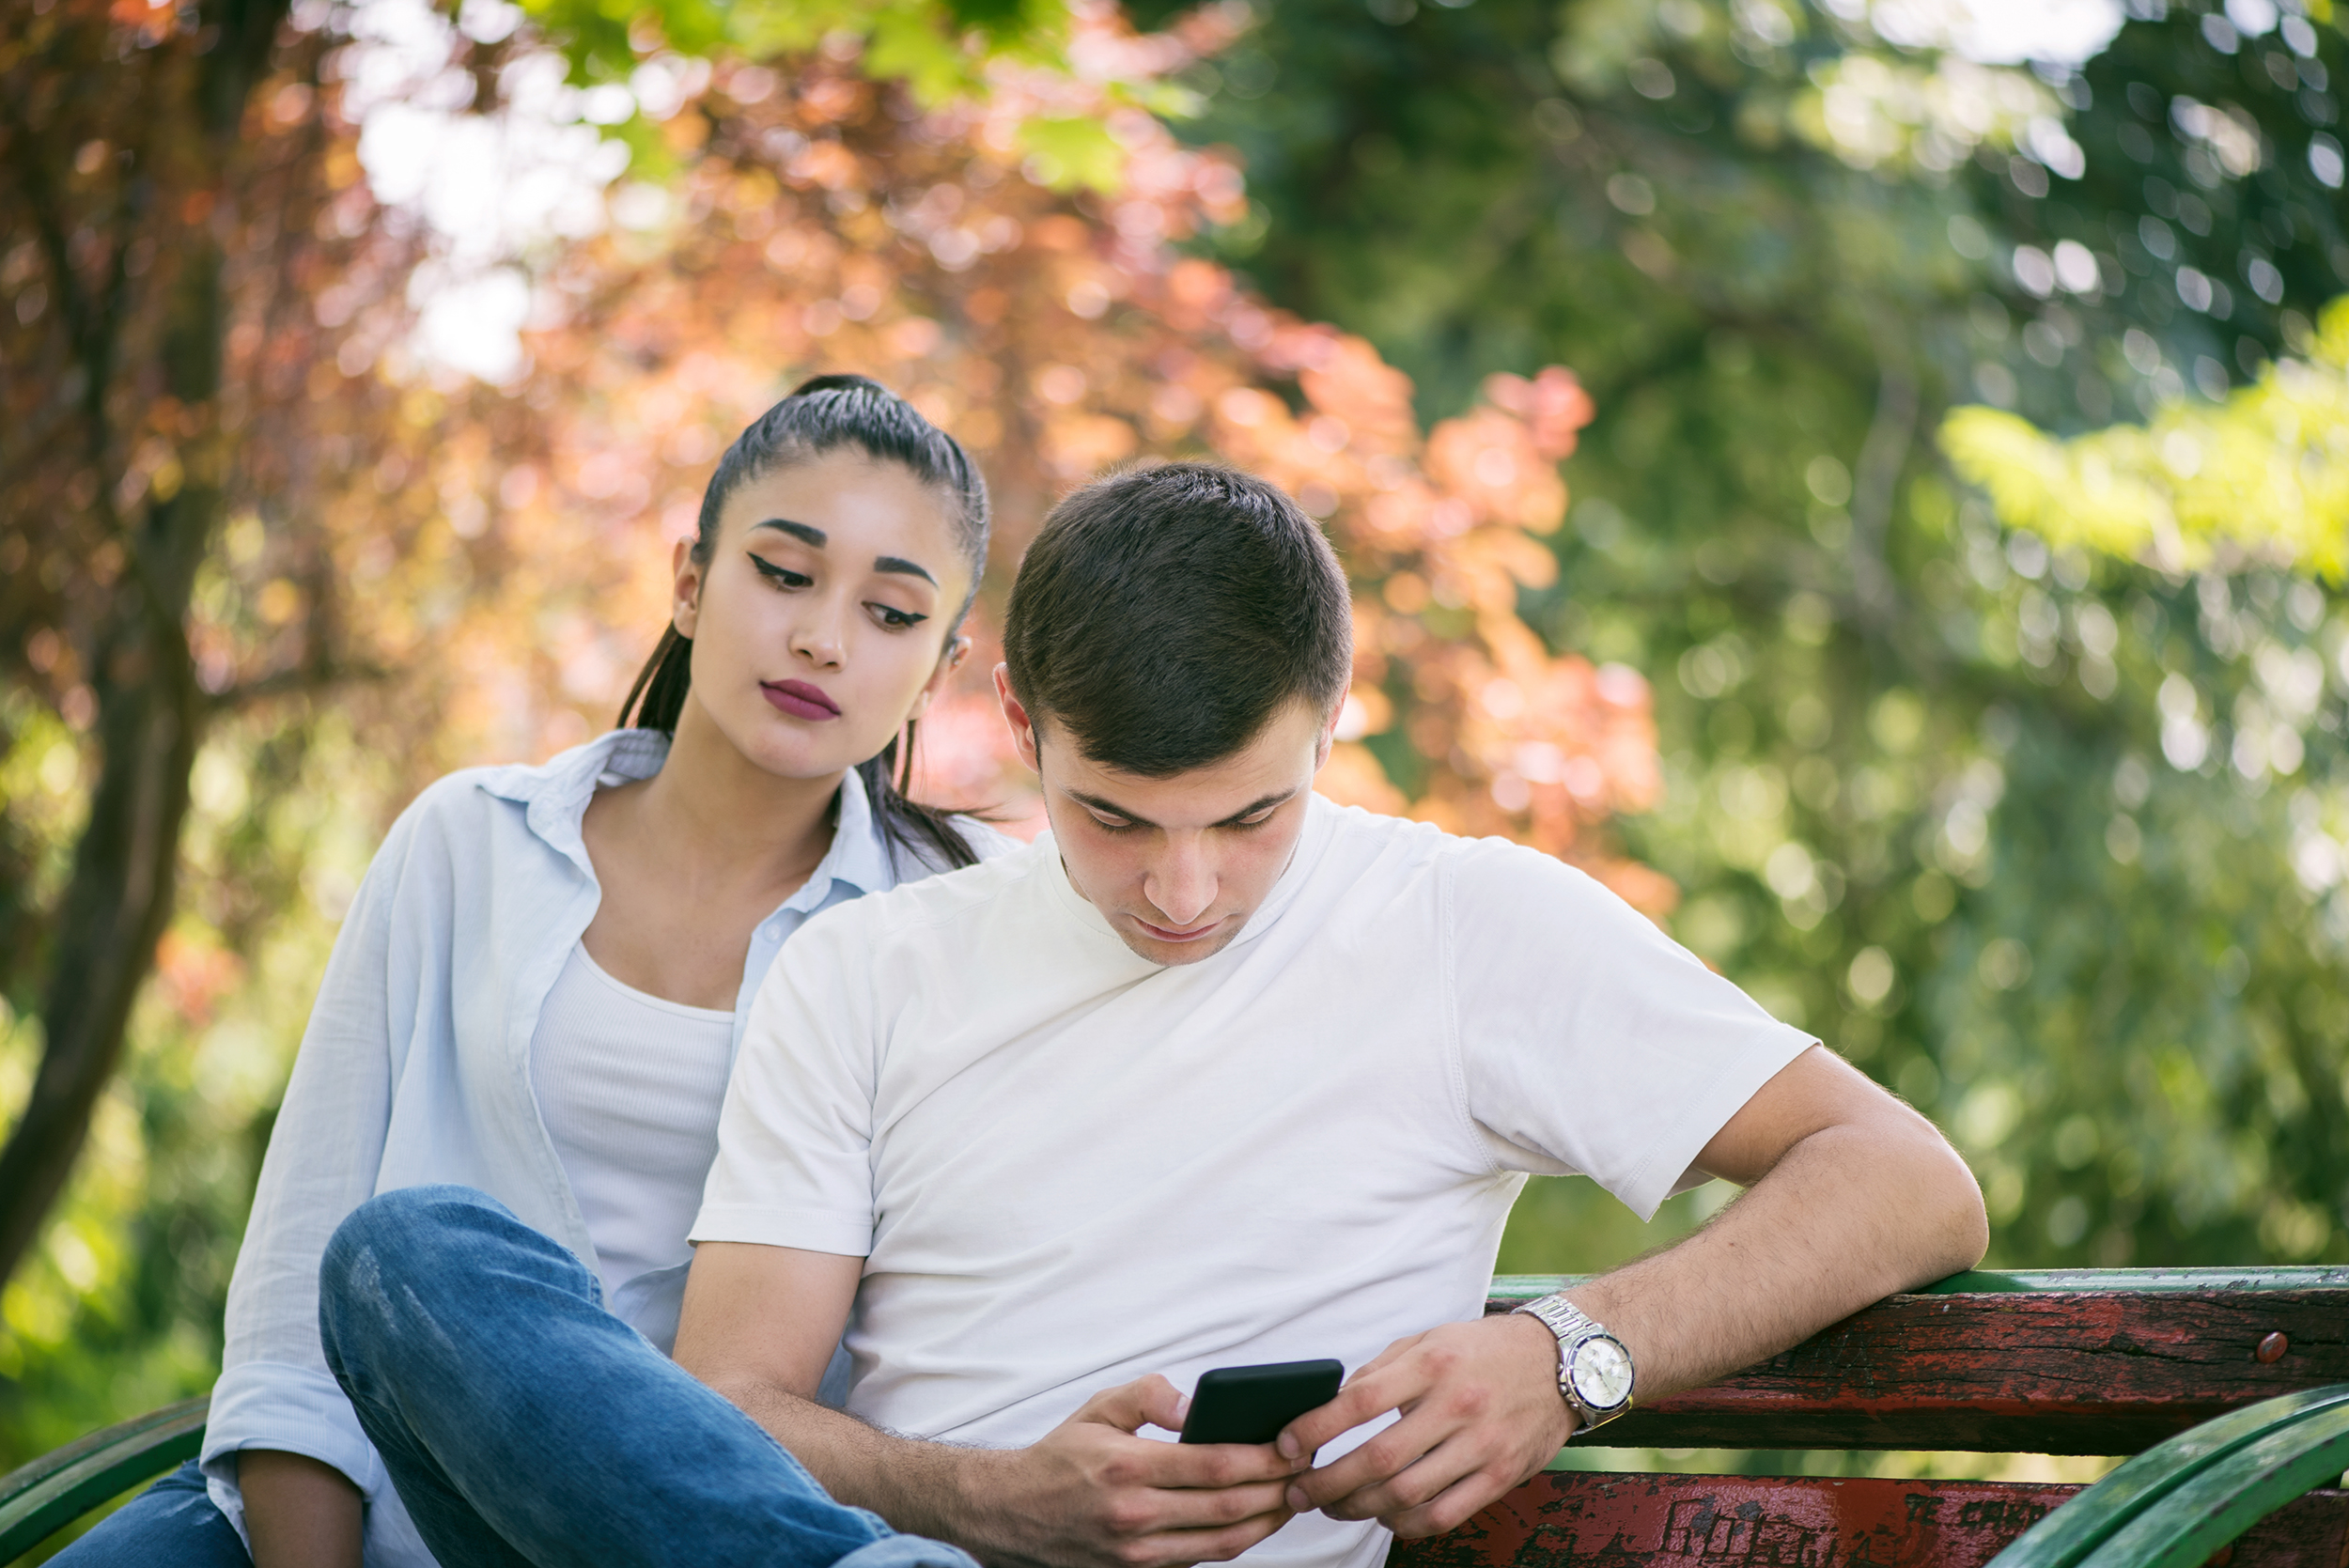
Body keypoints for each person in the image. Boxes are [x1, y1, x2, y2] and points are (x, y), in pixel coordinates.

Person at [312, 461, 1989, 1568]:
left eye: (1251, 819)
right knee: (409, 1260)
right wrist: (995, 1500)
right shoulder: (866, 969)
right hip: (889, 1550)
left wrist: (1567, 1351)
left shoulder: (1470, 923)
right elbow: (731, 1412)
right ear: (1018, 722)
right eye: (1114, 819)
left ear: (1332, 720)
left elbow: (1906, 1176)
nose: (1184, 892)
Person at [55, 377, 1014, 1568]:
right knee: (406, 1248)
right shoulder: (473, 843)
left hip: (685, 1536)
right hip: (367, 1502)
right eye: (783, 573)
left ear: (940, 665)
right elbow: (302, 1283)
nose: (824, 636)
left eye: (891, 613)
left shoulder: (961, 914)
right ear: (687, 579)